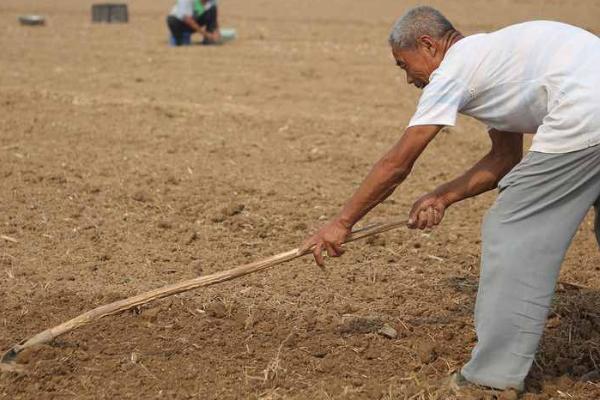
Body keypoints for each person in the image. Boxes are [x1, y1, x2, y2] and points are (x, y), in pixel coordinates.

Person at [300, 5, 600, 393]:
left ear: (428, 45)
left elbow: (397, 164)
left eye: (403, 64)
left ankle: (491, 379)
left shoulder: (452, 71)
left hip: (585, 111)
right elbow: (505, 157)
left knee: (513, 229)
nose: (409, 79)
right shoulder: (490, 58)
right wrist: (442, 197)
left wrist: (342, 223)